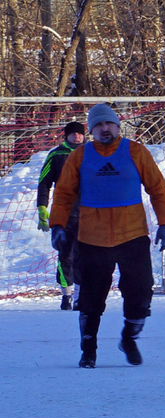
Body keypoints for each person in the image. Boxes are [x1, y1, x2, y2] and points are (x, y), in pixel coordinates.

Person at [47, 103, 165, 368]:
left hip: (133, 236)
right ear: (92, 130)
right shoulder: (80, 156)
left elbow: (158, 189)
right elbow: (64, 193)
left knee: (140, 295)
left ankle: (129, 337)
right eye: (99, 125)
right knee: (91, 300)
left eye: (109, 124)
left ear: (118, 126)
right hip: (92, 238)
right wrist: (57, 225)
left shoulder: (136, 152)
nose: (105, 129)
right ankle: (88, 351)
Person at [37, 121, 86, 310]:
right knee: (65, 255)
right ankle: (67, 295)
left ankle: (81, 295)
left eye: (80, 134)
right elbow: (44, 182)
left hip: (88, 213)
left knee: (84, 255)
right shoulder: (56, 155)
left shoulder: (92, 153)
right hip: (64, 213)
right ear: (66, 136)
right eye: (73, 134)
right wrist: (42, 207)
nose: (77, 137)